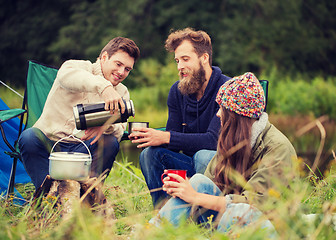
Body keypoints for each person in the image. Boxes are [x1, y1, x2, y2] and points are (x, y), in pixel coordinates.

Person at [151, 72, 297, 236]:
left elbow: (254, 206)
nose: (218, 114)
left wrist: (195, 197)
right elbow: (209, 182)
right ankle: (152, 232)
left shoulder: (277, 148)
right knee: (198, 181)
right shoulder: (233, 139)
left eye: (222, 108)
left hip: (267, 227)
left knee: (239, 210)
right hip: (229, 220)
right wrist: (184, 188)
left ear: (237, 115)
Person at [18, 37, 140, 190]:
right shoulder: (75, 67)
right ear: (104, 57)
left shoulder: (122, 92)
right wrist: (105, 87)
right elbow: (67, 78)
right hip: (51, 144)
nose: (121, 72)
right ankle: (48, 196)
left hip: (84, 149)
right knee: (28, 137)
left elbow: (120, 129)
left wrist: (105, 126)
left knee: (110, 142)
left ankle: (87, 197)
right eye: (118, 64)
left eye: (127, 69)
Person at [129, 28, 230, 208]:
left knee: (202, 156)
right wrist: (150, 137)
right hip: (190, 163)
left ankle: (206, 213)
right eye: (177, 61)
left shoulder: (226, 88)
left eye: (185, 59)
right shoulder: (178, 91)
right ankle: (164, 213)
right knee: (149, 154)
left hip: (221, 166)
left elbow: (213, 141)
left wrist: (166, 137)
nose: (179, 67)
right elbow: (173, 136)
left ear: (204, 58)